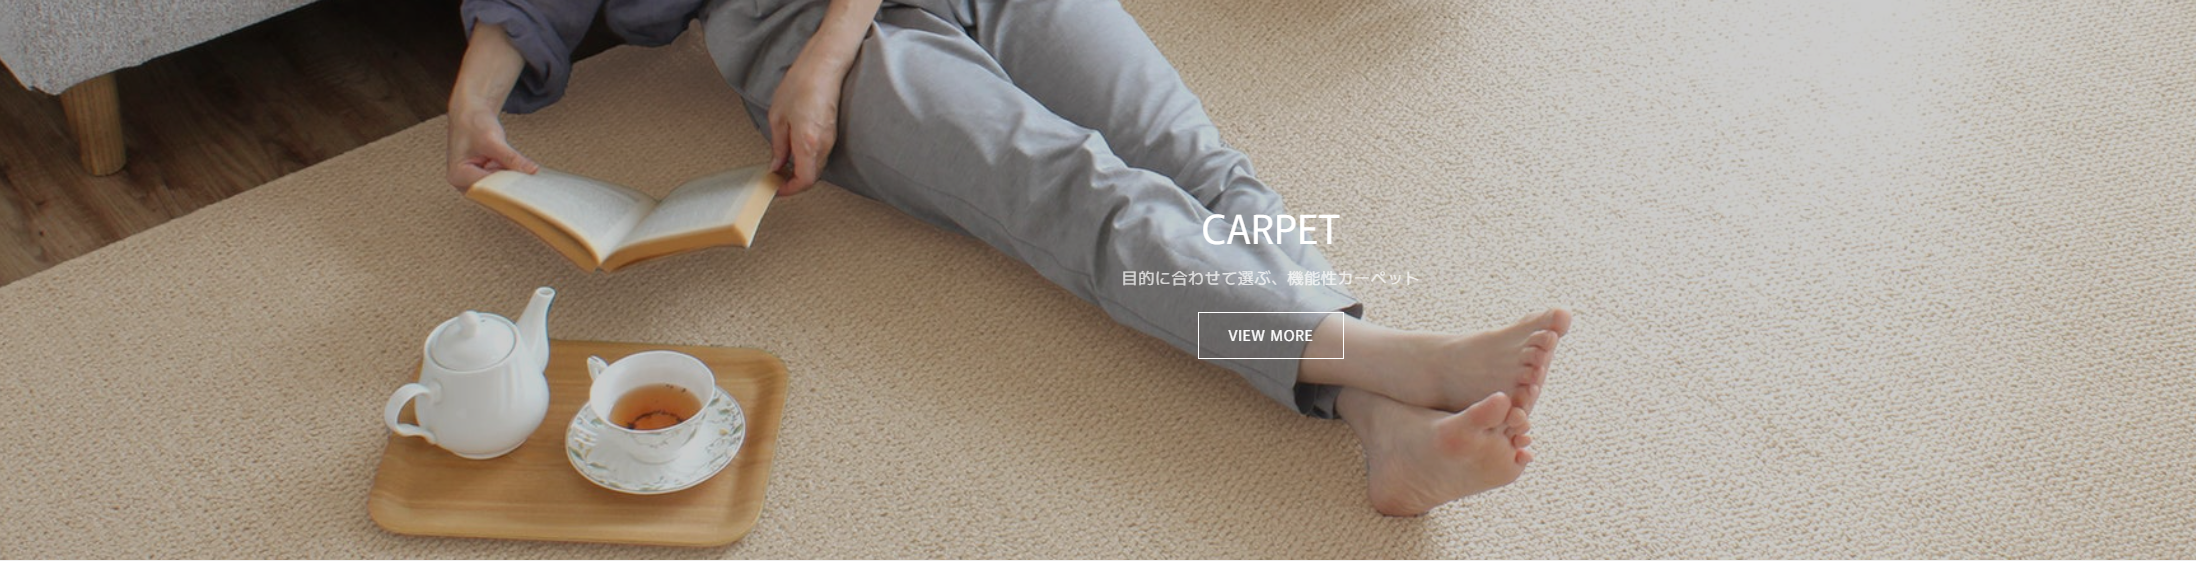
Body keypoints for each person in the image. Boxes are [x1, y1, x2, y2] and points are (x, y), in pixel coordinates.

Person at [445, 0, 1571, 516]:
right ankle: (1384, 372)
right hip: (786, 27)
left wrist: (832, 53)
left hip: (841, 37)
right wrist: (472, 102)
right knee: (1087, 193)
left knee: (1196, 160)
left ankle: (1376, 406)